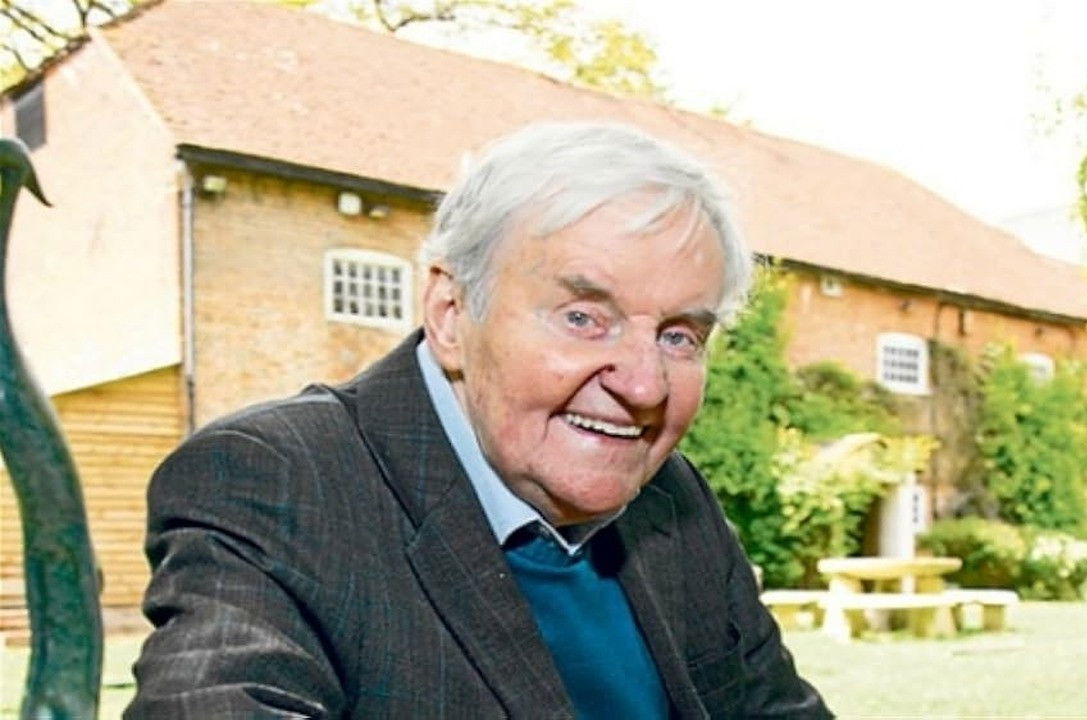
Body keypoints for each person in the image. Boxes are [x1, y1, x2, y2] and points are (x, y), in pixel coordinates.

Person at [126, 122, 832, 719]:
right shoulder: (274, 479)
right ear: (451, 314)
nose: (645, 384)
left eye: (679, 336)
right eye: (584, 318)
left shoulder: (674, 501)